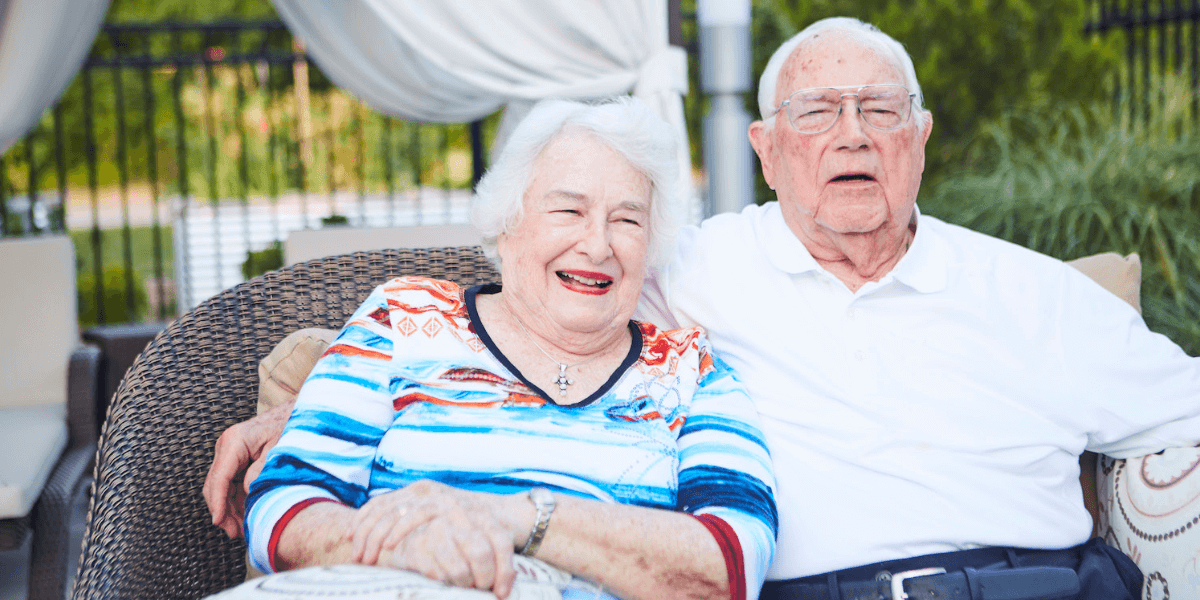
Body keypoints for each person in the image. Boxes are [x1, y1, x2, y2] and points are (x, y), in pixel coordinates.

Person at [207, 16, 1200, 600]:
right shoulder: (702, 264)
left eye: (880, 110)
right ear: (768, 151)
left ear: (921, 138)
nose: (852, 134)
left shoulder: (1034, 294)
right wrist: (291, 399)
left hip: (1031, 587)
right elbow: (512, 307)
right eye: (818, 112)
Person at [237, 97, 777, 600]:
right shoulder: (403, 319)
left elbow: (734, 564)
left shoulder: (691, 372)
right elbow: (281, 506)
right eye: (568, 212)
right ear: (507, 225)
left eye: (627, 220)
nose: (596, 244)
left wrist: (517, 516)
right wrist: (406, 546)